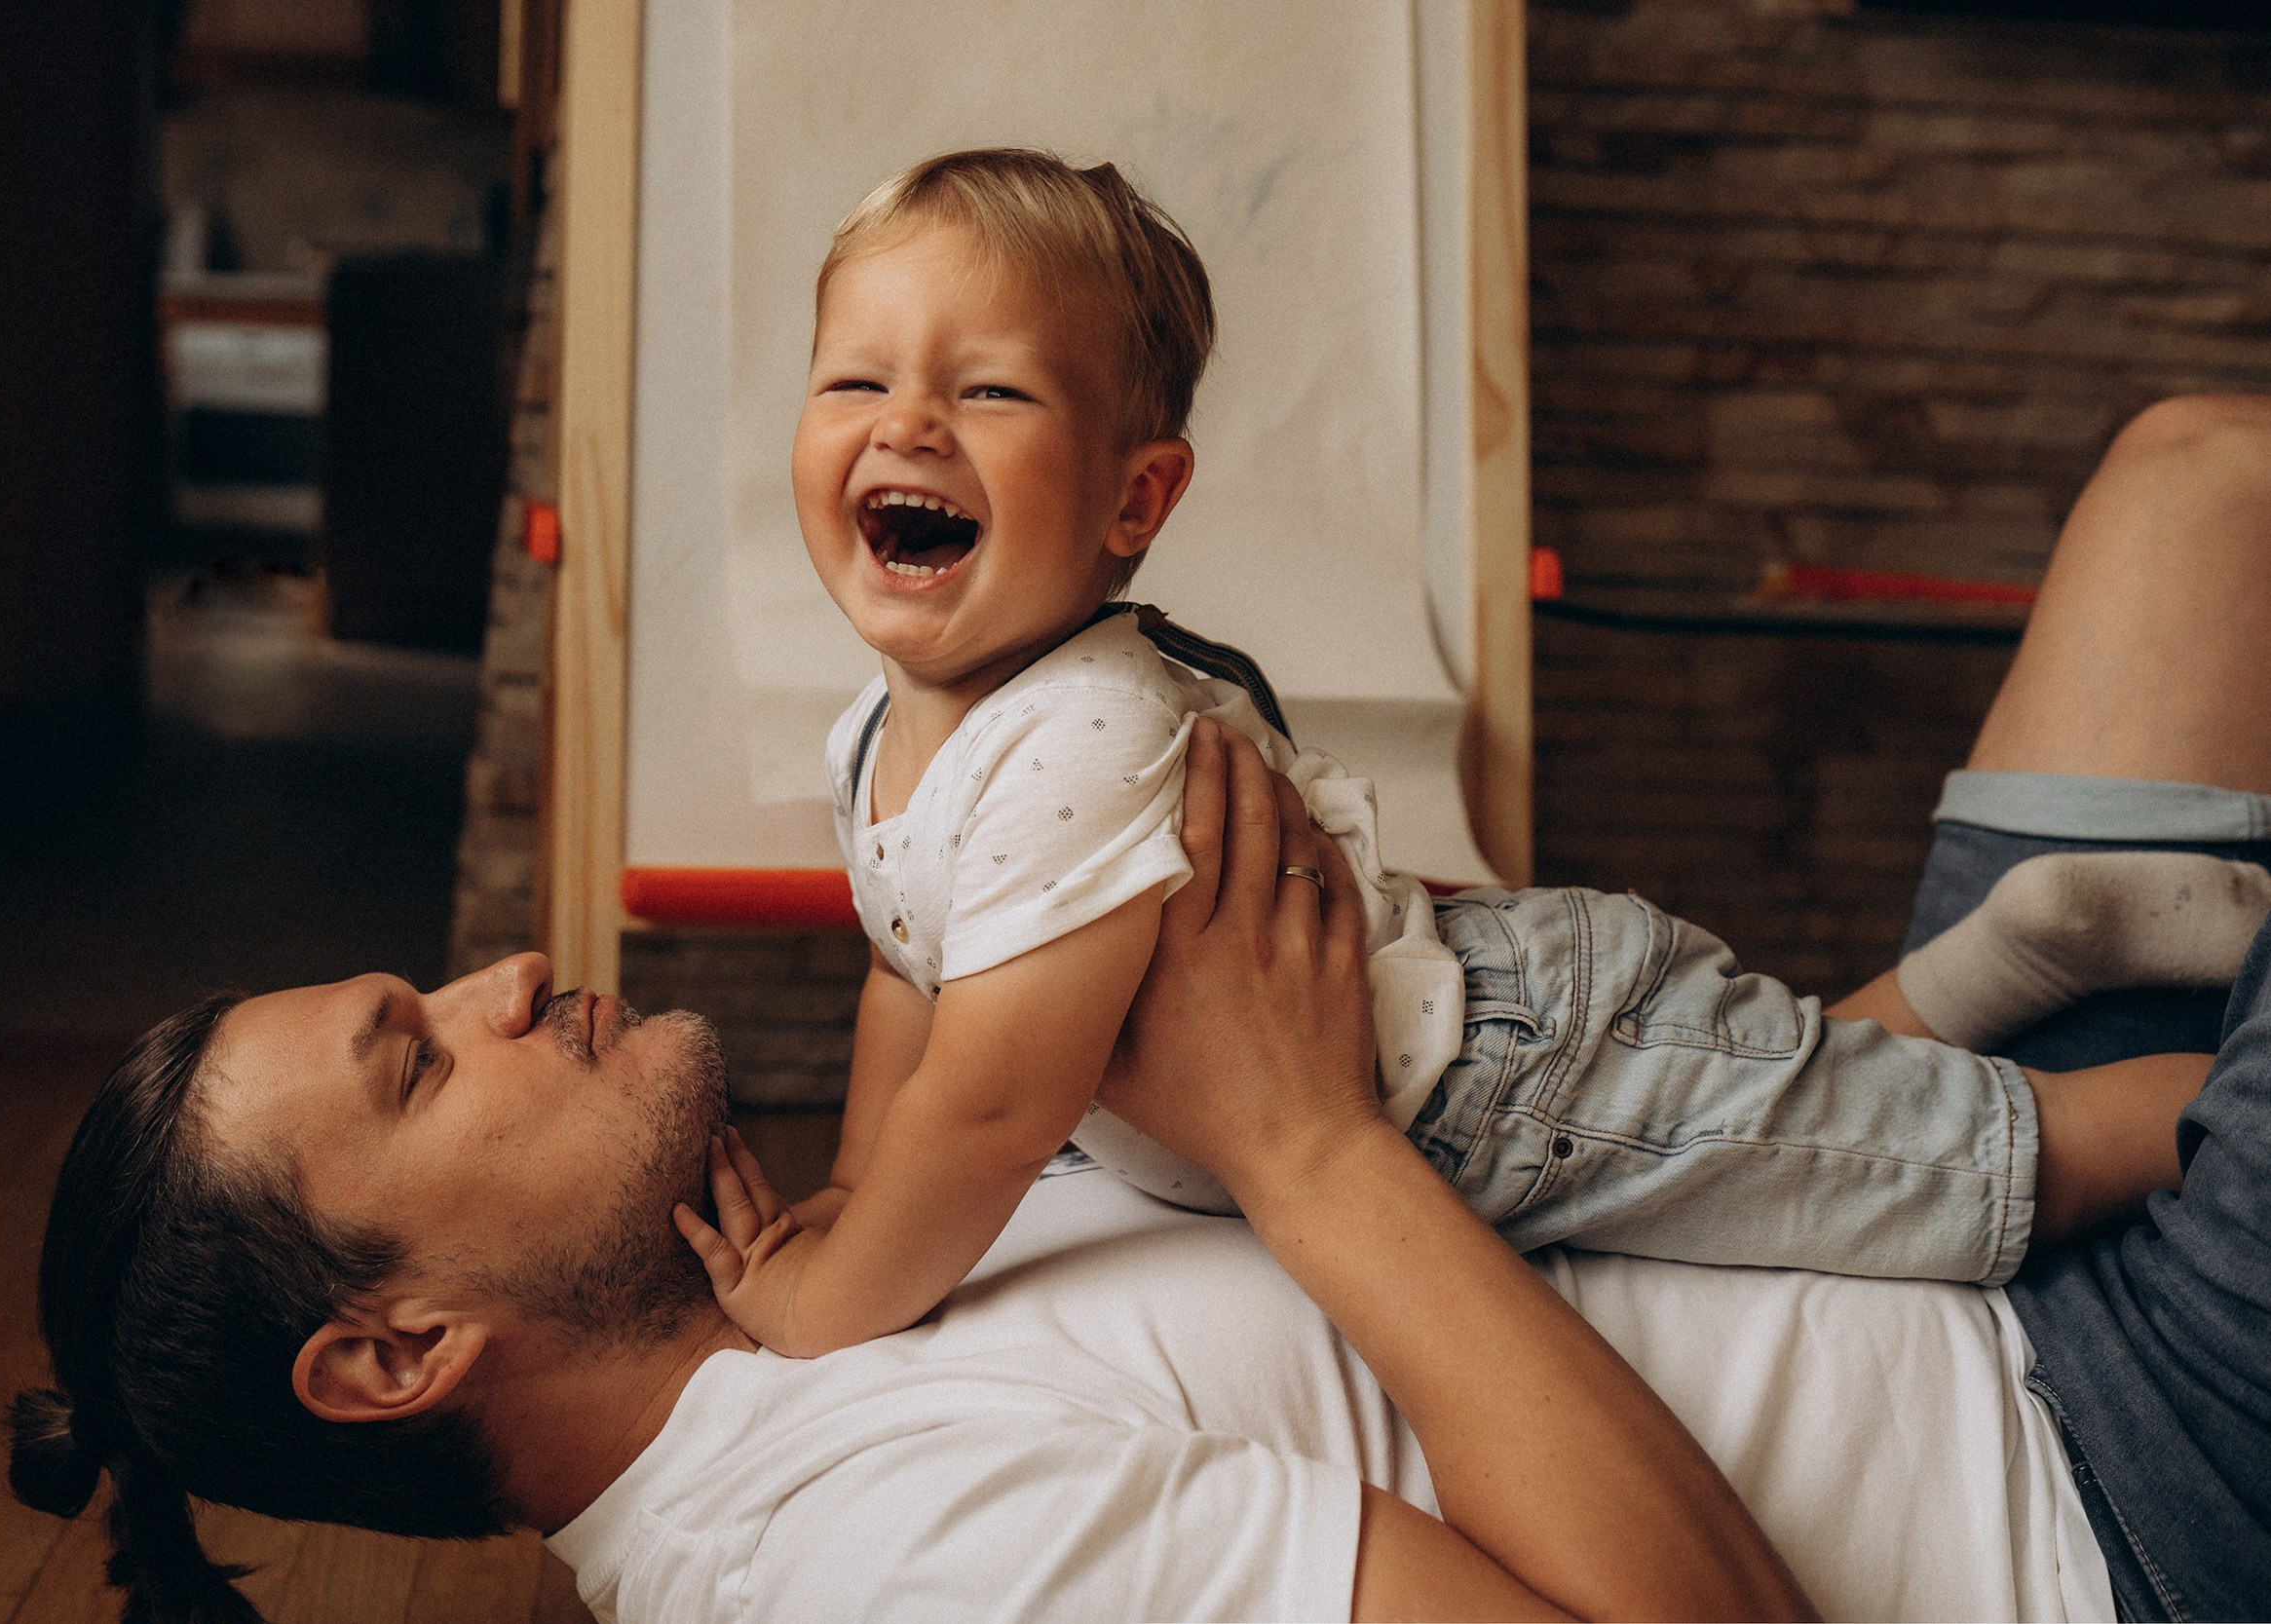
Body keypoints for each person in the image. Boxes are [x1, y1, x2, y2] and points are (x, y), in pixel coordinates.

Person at [5, 394, 2271, 1623]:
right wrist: (1306, 1151)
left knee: (2204, 487)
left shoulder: (809, 1298)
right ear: (394, 1352)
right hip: (2112, 1491)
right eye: (421, 1051)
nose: (506, 975)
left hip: (1952, 1212)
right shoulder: (859, 1569)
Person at [697, 145, 2257, 1358]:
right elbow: (911, 974)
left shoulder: (1079, 741)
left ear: (1134, 501)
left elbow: (986, 1111)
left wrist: (833, 1297)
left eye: (988, 390)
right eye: (855, 378)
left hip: (1510, 1082)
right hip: (1457, 1020)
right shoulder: (879, 738)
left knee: (1930, 1173)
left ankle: (2195, 1106)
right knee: (1821, 1103)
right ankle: (2030, 949)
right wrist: (841, 1195)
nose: (906, 423)